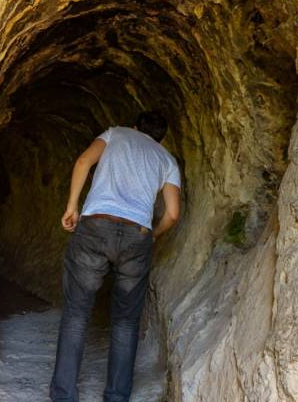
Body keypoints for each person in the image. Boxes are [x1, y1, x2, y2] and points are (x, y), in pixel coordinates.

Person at [49, 110, 181, 402]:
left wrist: (72, 206)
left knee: (75, 314)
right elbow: (172, 214)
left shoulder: (116, 133)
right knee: (126, 323)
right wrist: (152, 235)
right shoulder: (166, 159)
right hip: (138, 234)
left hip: (96, 225)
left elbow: (84, 161)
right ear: (161, 138)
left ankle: (63, 395)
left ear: (135, 126)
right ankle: (117, 397)